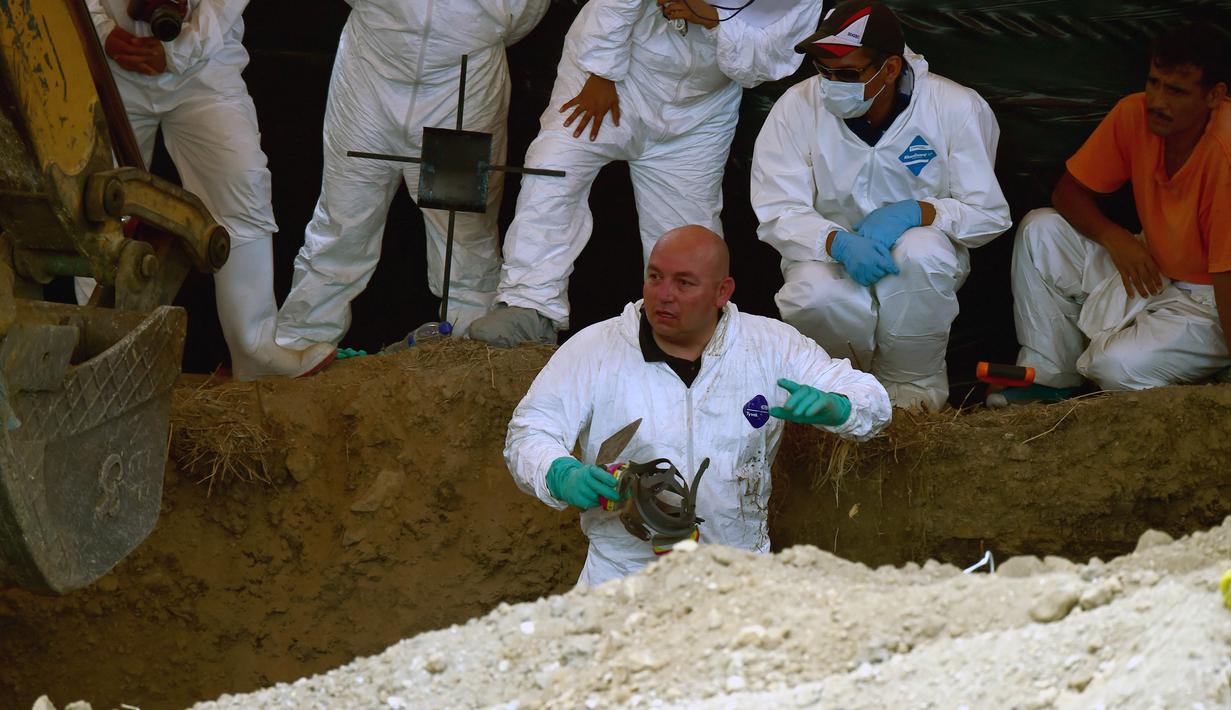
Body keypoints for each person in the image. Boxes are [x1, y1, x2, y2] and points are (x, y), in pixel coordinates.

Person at [504, 225, 891, 586]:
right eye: (655, 276)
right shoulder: (594, 350)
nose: (663, 294)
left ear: (722, 292)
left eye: (684, 283)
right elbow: (530, 432)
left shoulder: (770, 346)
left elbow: (870, 398)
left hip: (738, 577)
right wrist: (559, 472)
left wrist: (839, 407)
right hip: (622, 577)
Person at [469, 0, 824, 347]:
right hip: (615, 77)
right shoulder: (604, 73)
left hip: (699, 110)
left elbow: (769, 63)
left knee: (687, 230)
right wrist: (601, 71)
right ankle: (528, 306)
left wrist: (716, 21)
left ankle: (685, 333)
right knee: (554, 168)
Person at [750, 1, 1011, 411]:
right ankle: (834, 397)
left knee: (921, 253)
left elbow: (989, 213)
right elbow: (778, 208)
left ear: (890, 69)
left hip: (919, 259)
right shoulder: (795, 109)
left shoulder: (955, 107)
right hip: (825, 255)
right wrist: (836, 241)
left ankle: (912, 403)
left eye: (848, 73)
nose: (832, 83)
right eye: (823, 71)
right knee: (814, 297)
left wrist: (921, 212)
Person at [82, 0, 335, 380]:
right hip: (108, 65)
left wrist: (181, 49)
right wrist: (102, 33)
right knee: (93, 201)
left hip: (204, 68)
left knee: (241, 180)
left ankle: (255, 351)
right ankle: (97, 358)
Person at [275, 0, 549, 346]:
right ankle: (297, 346)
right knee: (342, 221)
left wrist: (465, 31)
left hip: (462, 85)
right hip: (371, 72)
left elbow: (524, 12)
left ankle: (470, 355)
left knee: (462, 234)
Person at [1002, 24, 1231, 402]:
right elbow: (1068, 192)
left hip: (1212, 300)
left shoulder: (1224, 156)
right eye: (1154, 82)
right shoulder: (1134, 112)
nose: (1157, 100)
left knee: (1111, 367)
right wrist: (1115, 237)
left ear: (1215, 96)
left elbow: (1226, 277)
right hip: (1152, 262)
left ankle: (1214, 374)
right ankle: (1049, 380)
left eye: (1175, 90)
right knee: (1040, 229)